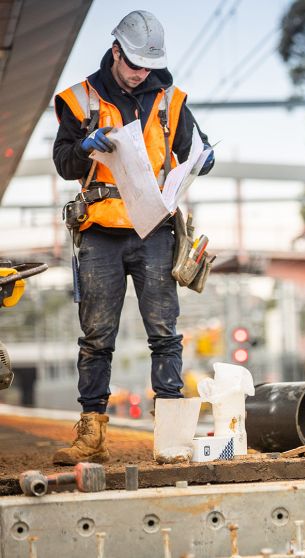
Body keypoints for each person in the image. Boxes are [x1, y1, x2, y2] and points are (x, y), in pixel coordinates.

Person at [51, 11, 215, 465]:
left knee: (164, 334)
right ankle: (92, 435)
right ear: (116, 51)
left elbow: (192, 153)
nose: (141, 72)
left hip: (154, 230)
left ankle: (172, 437)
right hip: (100, 231)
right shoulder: (80, 98)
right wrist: (84, 149)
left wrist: (205, 159)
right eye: (134, 63)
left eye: (148, 64)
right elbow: (63, 161)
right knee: (96, 336)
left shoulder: (172, 99)